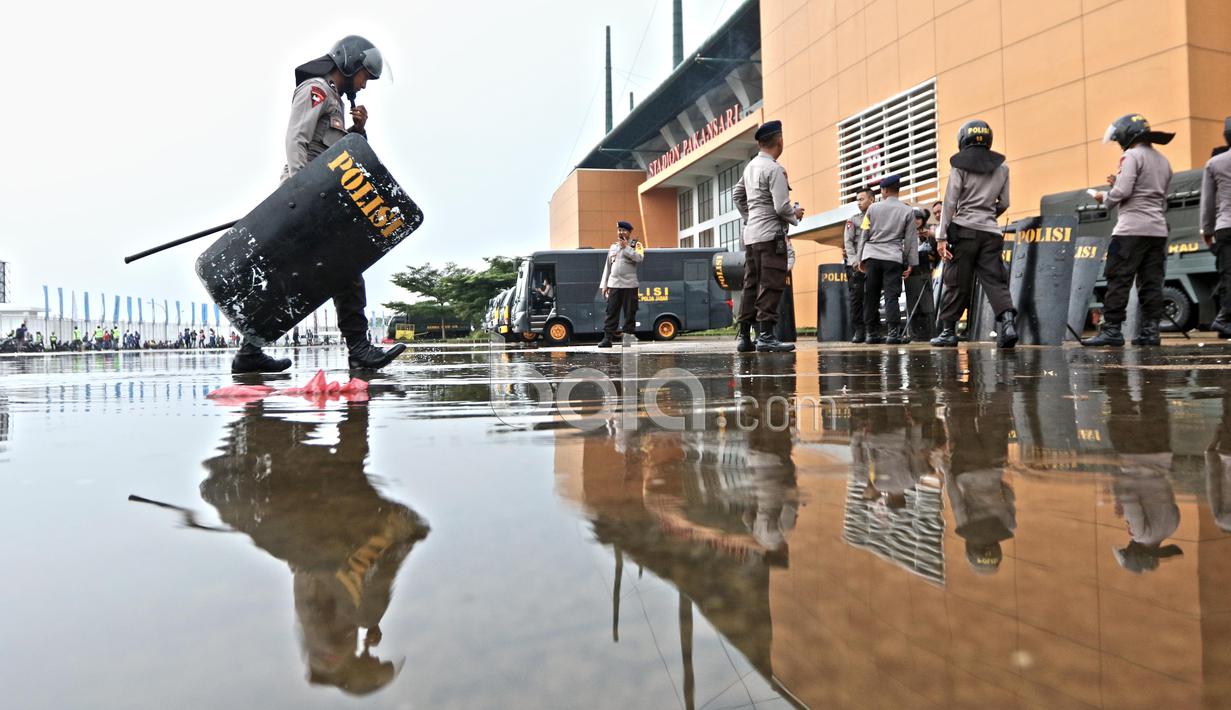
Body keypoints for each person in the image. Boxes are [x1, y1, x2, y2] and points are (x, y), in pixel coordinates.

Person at [231, 35, 405, 374]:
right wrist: (299, 193)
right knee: (340, 267)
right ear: (351, 63)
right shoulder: (316, 90)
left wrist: (358, 131)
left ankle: (250, 351)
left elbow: (338, 156)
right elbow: (296, 139)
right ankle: (358, 349)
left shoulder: (335, 101)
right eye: (364, 77)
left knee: (308, 274)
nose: (364, 85)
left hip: (321, 199)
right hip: (305, 198)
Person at [1084, 114, 1175, 347]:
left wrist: (1103, 197)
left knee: (1118, 279)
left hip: (1129, 231)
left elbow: (1123, 192)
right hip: (1157, 230)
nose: (1118, 144)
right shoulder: (1163, 160)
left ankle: (1112, 330)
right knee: (1151, 282)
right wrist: (1119, 183)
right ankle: (1150, 332)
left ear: (1127, 135)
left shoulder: (1131, 156)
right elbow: (1153, 193)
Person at [932, 120, 1017, 348]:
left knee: (956, 281)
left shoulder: (960, 166)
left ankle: (948, 332)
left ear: (963, 139)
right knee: (995, 280)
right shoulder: (1003, 168)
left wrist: (941, 237)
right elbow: (1004, 202)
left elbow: (950, 203)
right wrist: (987, 216)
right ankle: (1008, 324)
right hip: (991, 233)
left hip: (965, 231)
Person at [731, 120, 804, 353]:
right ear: (779, 140)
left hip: (751, 236)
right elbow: (782, 207)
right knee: (771, 283)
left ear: (760, 143)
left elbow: (737, 195)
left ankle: (745, 337)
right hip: (771, 235)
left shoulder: (750, 167)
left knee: (751, 285)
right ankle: (766, 336)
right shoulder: (774, 169)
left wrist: (750, 217)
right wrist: (795, 215)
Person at [858, 174, 918, 344]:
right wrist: (909, 262)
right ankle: (893, 333)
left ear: (884, 190)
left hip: (872, 256)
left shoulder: (872, 209)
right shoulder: (907, 211)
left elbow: (864, 234)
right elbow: (910, 240)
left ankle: (871, 334)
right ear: (898, 190)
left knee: (871, 295)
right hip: (893, 257)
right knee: (892, 295)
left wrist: (860, 258)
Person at [1202, 117, 1231, 338]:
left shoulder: (1215, 163)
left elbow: (1208, 202)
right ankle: (1223, 319)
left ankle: (1224, 321)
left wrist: (1207, 230)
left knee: (1228, 274)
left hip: (1225, 227)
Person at [597, 220, 644, 348]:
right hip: (614, 285)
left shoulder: (636, 245)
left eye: (624, 230)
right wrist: (605, 285)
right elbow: (608, 266)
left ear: (629, 232)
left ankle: (627, 339)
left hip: (630, 285)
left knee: (630, 313)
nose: (621, 232)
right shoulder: (613, 247)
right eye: (619, 230)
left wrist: (626, 248)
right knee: (611, 312)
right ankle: (607, 339)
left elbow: (639, 258)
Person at [842, 188, 874, 343]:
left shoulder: (878, 218)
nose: (858, 203)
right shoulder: (853, 220)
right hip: (855, 266)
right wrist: (855, 262)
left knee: (872, 299)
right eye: (857, 200)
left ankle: (872, 330)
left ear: (871, 199)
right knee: (857, 300)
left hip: (872, 264)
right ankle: (859, 331)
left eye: (861, 199)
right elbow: (848, 243)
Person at [904, 207, 939, 341]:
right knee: (913, 305)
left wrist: (931, 237)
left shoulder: (929, 233)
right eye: (914, 218)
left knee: (927, 306)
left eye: (919, 218)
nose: (916, 221)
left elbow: (936, 254)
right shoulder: (906, 234)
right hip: (911, 275)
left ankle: (929, 333)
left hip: (926, 274)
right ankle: (915, 334)